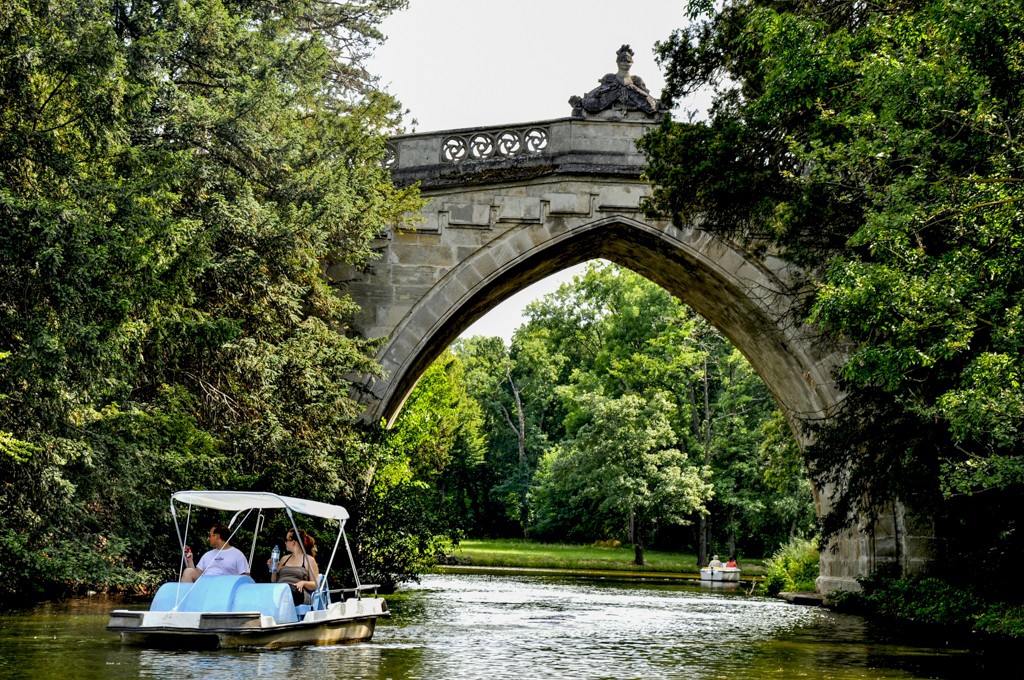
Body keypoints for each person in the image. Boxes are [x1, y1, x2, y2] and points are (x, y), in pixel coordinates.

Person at [181, 524, 250, 582]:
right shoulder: (207, 555)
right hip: (205, 587)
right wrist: (190, 560)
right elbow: (196, 575)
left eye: (210, 536)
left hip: (224, 589)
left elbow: (245, 578)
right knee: (188, 572)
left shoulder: (237, 555)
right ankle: (184, 598)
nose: (208, 539)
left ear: (217, 536)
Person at [271, 528, 320, 605]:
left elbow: (315, 584)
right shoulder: (284, 559)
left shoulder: (309, 560)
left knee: (287, 591)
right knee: (272, 590)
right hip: (280, 590)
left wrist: (303, 583)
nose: (285, 542)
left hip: (297, 592)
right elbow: (274, 581)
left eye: (286, 539)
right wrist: (273, 568)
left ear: (293, 542)